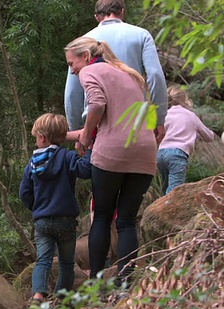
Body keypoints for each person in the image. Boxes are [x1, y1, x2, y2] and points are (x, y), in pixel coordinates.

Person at [64, 37, 157, 285]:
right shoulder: (128, 73)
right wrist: (68, 134)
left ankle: (96, 282)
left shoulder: (91, 71)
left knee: (103, 216)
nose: (71, 70)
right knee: (126, 220)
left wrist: (84, 137)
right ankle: (124, 283)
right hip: (145, 152)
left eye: (72, 63)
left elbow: (97, 105)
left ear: (85, 56)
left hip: (112, 154)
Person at [64, 0, 167, 143]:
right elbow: (155, 76)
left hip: (97, 125)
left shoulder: (82, 43)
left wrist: (78, 131)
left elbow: (72, 93)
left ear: (96, 17)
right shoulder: (141, 35)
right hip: (135, 122)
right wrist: (159, 118)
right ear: (122, 12)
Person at [19, 113, 92, 305]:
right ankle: (63, 299)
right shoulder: (67, 157)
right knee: (67, 262)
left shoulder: (32, 164)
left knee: (43, 260)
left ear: (42, 137)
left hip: (42, 221)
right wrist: (89, 149)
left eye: (36, 137)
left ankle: (38, 298)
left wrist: (36, 208)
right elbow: (85, 170)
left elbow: (24, 192)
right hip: (66, 220)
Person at [157, 85, 216, 195]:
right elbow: (208, 136)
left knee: (165, 187)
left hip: (161, 153)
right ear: (184, 100)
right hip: (178, 154)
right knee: (175, 190)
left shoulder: (165, 115)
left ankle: (160, 208)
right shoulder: (190, 115)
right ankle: (170, 210)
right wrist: (211, 134)